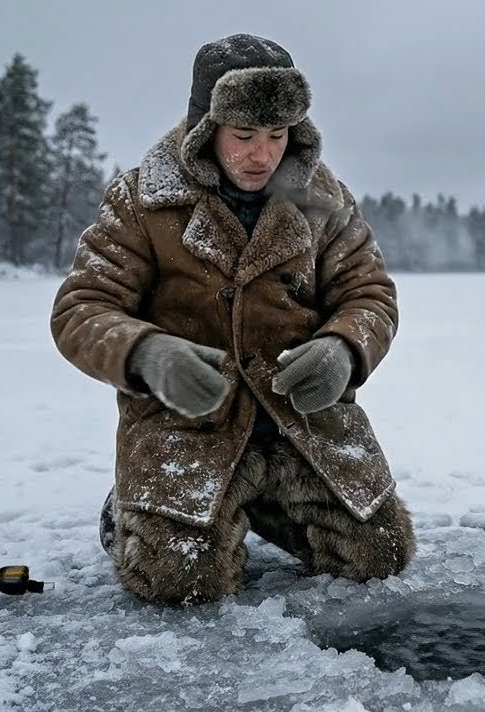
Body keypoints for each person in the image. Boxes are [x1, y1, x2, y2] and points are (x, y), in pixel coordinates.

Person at [50, 34, 415, 605]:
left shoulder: (326, 200)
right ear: (205, 130)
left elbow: (369, 293)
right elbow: (81, 308)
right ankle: (130, 506)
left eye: (277, 136)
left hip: (301, 424)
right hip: (192, 427)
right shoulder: (140, 200)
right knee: (179, 584)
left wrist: (344, 349)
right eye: (243, 136)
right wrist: (149, 354)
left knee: (382, 556)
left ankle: (261, 505)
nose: (261, 154)